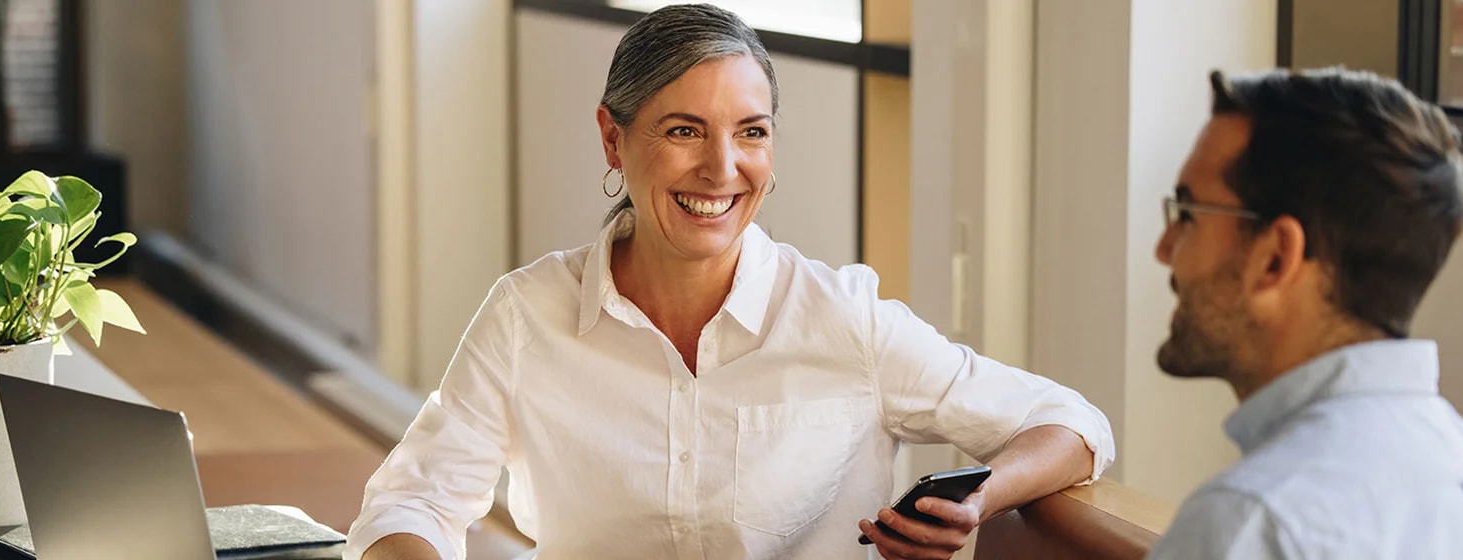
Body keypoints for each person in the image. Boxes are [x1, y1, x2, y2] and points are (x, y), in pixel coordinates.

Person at [346, 5, 1113, 559]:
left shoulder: (845, 319)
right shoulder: (526, 316)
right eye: (684, 130)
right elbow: (413, 500)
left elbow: (1071, 426)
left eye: (751, 132)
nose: (722, 169)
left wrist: (979, 500)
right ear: (613, 138)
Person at [1148, 68, 1463, 559]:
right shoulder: (1448, 465)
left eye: (1188, 214)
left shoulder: (1248, 524)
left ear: (1275, 258)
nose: (1164, 249)